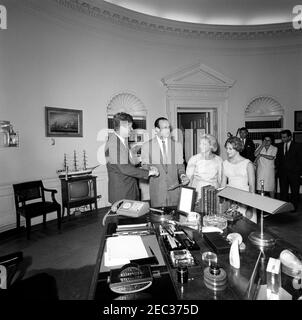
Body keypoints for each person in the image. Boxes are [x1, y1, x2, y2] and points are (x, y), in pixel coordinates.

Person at [105, 112, 159, 204]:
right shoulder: (114, 144)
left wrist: (146, 166)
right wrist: (149, 172)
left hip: (129, 190)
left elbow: (130, 163)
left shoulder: (122, 141)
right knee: (125, 218)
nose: (132, 129)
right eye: (130, 127)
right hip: (122, 194)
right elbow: (124, 168)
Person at [141, 117, 189, 207]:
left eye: (169, 127)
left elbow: (180, 166)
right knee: (158, 218)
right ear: (157, 129)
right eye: (165, 127)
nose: (168, 130)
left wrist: (183, 175)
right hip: (157, 192)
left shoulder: (177, 145)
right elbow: (144, 166)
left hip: (174, 191)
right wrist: (150, 168)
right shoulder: (147, 146)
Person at [221, 136, 256, 221]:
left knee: (246, 227)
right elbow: (222, 184)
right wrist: (221, 203)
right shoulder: (225, 163)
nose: (227, 151)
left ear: (237, 149)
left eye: (230, 149)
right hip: (230, 198)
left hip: (245, 198)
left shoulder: (248, 164)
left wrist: (250, 207)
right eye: (226, 148)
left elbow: (252, 187)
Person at [186, 134, 223, 199]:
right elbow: (189, 180)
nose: (200, 146)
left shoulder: (219, 160)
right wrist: (188, 198)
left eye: (204, 144)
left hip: (213, 192)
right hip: (198, 192)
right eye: (200, 143)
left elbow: (220, 180)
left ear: (211, 146)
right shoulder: (194, 159)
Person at [275, 129, 302, 212]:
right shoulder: (279, 146)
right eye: (282, 137)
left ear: (290, 137)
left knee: (294, 192)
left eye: (284, 137)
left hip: (294, 174)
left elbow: (300, 160)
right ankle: (284, 208)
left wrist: (298, 172)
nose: (283, 139)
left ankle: (294, 208)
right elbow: (278, 159)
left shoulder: (298, 146)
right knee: (283, 192)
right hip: (283, 174)